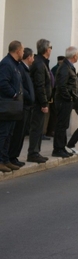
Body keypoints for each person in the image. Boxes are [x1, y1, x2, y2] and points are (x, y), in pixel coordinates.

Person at [8, 47, 35, 167]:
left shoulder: (25, 69)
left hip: (26, 105)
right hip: (22, 105)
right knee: (17, 134)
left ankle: (14, 157)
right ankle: (11, 157)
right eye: (32, 57)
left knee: (21, 134)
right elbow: (20, 86)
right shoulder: (20, 68)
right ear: (29, 57)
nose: (33, 60)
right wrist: (27, 96)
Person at [0, 40, 24, 173]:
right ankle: (0, 161)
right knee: (3, 134)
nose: (24, 52)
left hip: (12, 107)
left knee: (9, 134)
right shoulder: (6, 64)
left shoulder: (15, 65)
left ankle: (5, 159)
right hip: (6, 106)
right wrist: (14, 94)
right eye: (23, 50)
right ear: (18, 51)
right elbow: (2, 83)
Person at [27, 39, 52, 164]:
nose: (51, 49)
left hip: (40, 101)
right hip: (38, 102)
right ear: (47, 49)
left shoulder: (42, 63)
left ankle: (36, 151)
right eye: (51, 47)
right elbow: (39, 85)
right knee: (36, 127)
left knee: (39, 127)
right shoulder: (39, 64)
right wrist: (43, 103)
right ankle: (33, 153)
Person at [52, 46, 78, 158]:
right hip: (63, 101)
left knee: (64, 125)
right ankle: (58, 149)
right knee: (61, 125)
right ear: (74, 56)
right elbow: (61, 86)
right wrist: (69, 97)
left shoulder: (69, 67)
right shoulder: (65, 68)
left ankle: (62, 147)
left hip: (66, 101)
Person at [45, 55, 65, 138]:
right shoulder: (57, 69)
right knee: (54, 113)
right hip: (54, 94)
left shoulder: (55, 68)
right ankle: (51, 130)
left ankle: (52, 130)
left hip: (54, 94)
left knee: (54, 113)